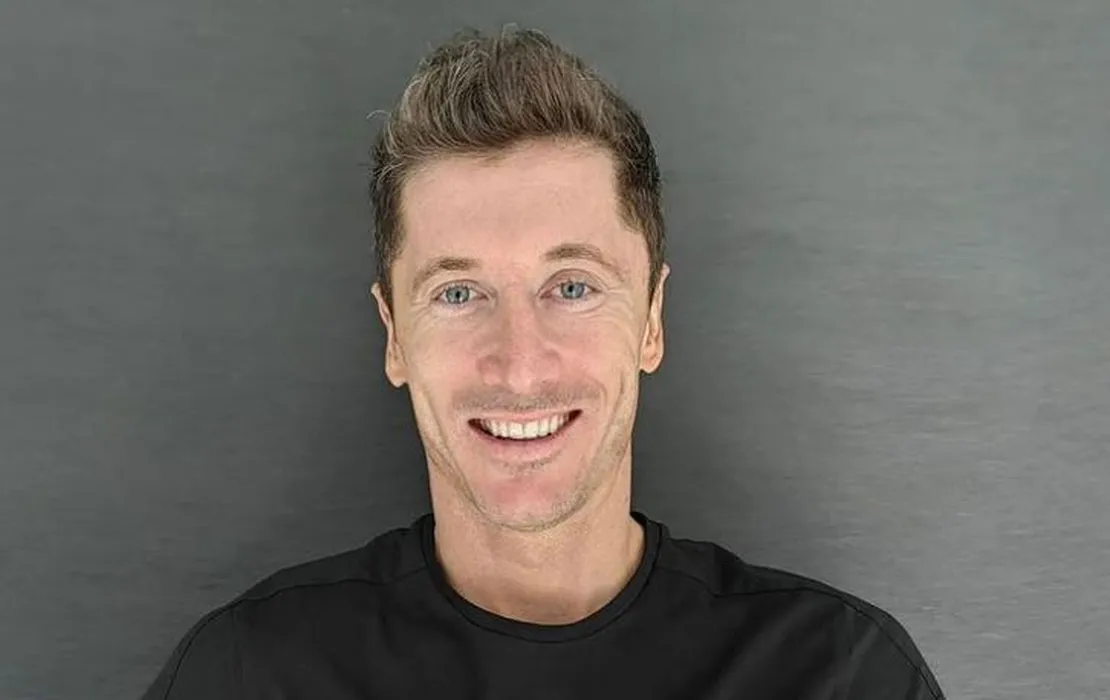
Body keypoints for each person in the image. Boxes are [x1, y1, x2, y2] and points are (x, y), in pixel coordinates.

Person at [140, 25, 946, 700]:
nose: (520, 367)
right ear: (394, 336)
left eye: (572, 286)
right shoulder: (251, 674)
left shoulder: (839, 676)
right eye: (459, 293)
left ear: (651, 321)